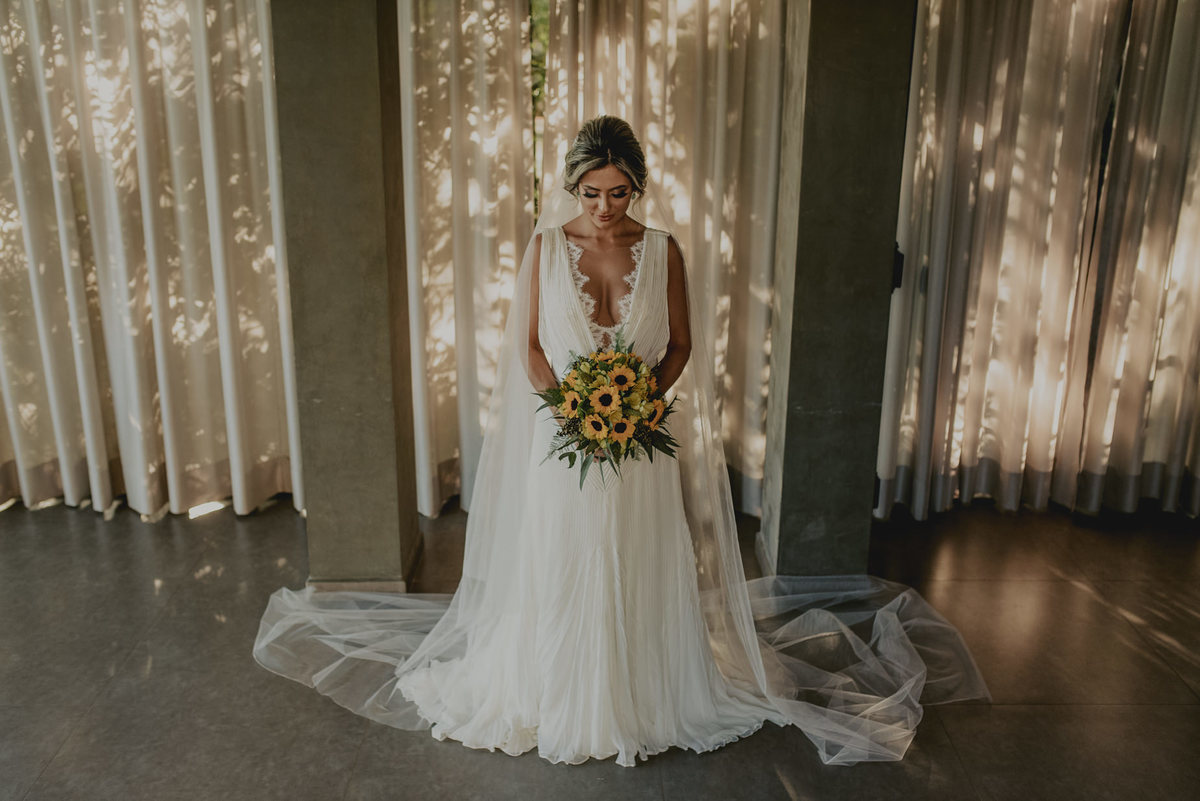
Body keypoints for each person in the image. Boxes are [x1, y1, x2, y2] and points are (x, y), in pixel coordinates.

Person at [253, 116, 990, 768]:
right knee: (566, 559)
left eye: (619, 192)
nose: (605, 209)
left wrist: (640, 407)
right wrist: (573, 411)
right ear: (574, 187)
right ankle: (556, 685)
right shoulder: (545, 248)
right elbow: (532, 351)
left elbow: (679, 344)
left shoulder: (663, 250)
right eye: (592, 193)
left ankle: (642, 686)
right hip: (564, 440)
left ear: (638, 186)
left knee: (634, 556)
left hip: (637, 439)